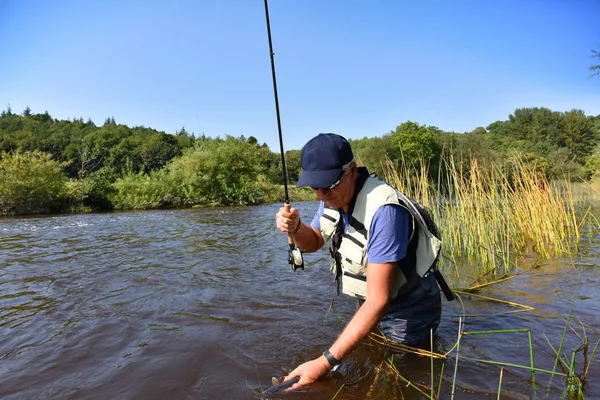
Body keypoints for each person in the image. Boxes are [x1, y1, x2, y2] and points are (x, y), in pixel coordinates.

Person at [275, 133, 443, 389]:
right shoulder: (333, 197)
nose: (320, 195)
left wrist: (323, 363)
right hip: (375, 301)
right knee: (371, 362)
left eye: (327, 185)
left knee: (400, 382)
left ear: (351, 170)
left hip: (409, 312)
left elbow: (379, 300)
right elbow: (315, 241)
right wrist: (296, 227)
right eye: (314, 187)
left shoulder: (385, 212)